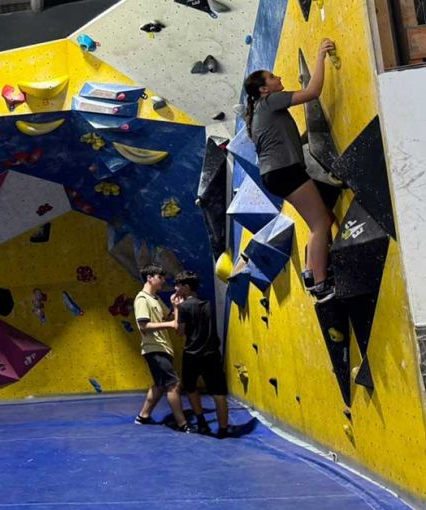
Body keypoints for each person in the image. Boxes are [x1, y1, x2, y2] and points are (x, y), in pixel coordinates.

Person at [243, 38, 338, 302]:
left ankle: (310, 272)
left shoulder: (260, 109)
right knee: (321, 224)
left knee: (325, 219)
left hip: (278, 174)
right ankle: (320, 285)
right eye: (273, 77)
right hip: (285, 171)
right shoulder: (270, 101)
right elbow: (313, 92)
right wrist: (320, 55)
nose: (279, 78)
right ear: (264, 89)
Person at [132, 264, 193, 432]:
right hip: (154, 348)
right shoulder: (142, 299)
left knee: (160, 386)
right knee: (174, 384)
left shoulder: (156, 299)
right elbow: (143, 325)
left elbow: (170, 317)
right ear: (149, 278)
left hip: (163, 347)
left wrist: (176, 307)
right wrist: (170, 324)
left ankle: (143, 416)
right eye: (160, 277)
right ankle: (182, 424)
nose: (163, 280)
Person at [170, 272, 231, 437]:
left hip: (192, 354)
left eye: (178, 285)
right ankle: (223, 429)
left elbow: (179, 332)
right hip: (211, 353)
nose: (175, 289)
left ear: (186, 287)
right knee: (218, 393)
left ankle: (202, 422)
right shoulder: (207, 304)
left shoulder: (183, 307)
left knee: (191, 388)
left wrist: (176, 308)